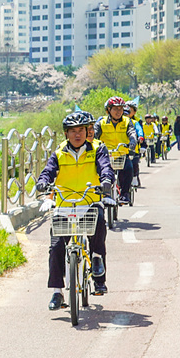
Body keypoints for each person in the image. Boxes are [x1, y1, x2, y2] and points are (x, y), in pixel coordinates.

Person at [37, 109, 115, 310]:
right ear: (66, 133)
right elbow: (48, 171)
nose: (77, 134)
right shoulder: (59, 152)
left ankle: (97, 263)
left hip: (89, 202)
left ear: (88, 131)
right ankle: (57, 292)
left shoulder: (98, 149)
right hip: (64, 205)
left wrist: (106, 181)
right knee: (56, 246)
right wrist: (42, 182)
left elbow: (105, 168)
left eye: (81, 130)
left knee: (99, 224)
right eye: (72, 131)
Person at [95, 96, 136, 204]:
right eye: (115, 109)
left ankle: (125, 194)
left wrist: (132, 142)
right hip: (105, 155)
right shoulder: (101, 122)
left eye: (120, 109)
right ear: (109, 110)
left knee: (129, 169)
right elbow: (94, 135)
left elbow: (132, 133)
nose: (118, 112)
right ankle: (103, 193)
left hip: (122, 154)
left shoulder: (127, 121)